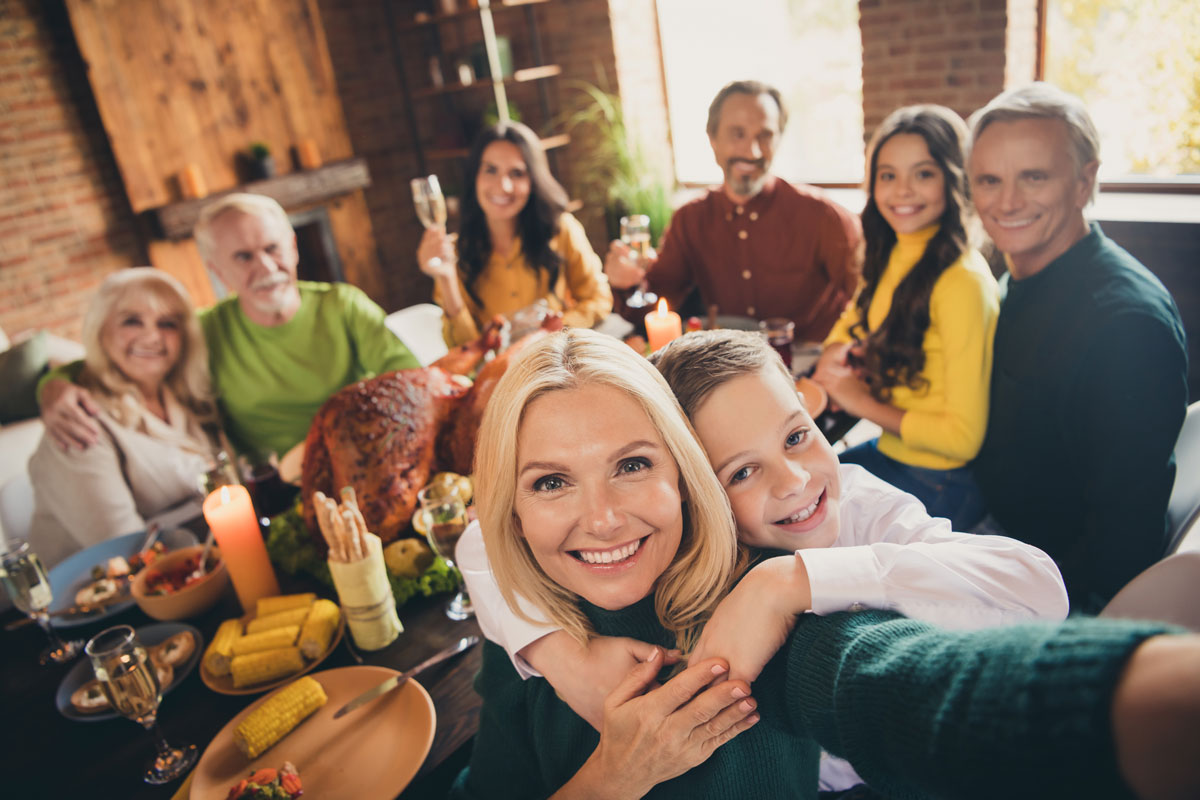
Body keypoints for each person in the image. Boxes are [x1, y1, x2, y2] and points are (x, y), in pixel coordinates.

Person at [452, 328, 1200, 800]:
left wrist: (791, 582)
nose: (793, 481)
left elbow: (915, 669)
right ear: (696, 486)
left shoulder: (844, 515)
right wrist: (561, 653)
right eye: (739, 472)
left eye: (800, 437)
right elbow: (484, 539)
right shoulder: (551, 596)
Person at [967, 83, 1189, 613]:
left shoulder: (1125, 325)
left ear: (1084, 180)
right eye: (989, 180)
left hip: (1047, 584)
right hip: (991, 530)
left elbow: (1123, 543)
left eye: (1034, 177)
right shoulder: (1013, 278)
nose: (1007, 202)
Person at [38, 193, 421, 459]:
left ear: (292, 246)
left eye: (273, 248)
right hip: (280, 491)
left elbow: (410, 379)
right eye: (244, 257)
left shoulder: (343, 305)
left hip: (369, 457)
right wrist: (52, 387)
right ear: (218, 271)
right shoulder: (204, 330)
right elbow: (104, 360)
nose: (267, 267)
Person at [814, 105, 997, 530]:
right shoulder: (893, 249)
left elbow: (963, 440)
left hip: (940, 481)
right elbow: (854, 314)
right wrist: (836, 350)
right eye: (888, 175)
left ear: (953, 178)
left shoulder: (962, 283)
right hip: (892, 451)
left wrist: (862, 403)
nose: (903, 191)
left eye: (923, 173)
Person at [603, 80, 860, 341]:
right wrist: (627, 285)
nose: (752, 151)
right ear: (712, 139)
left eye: (766, 135)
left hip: (810, 360)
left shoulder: (825, 217)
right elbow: (655, 309)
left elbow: (871, 300)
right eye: (738, 134)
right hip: (733, 365)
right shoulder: (690, 219)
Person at [27, 269, 223, 566]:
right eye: (132, 321)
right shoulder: (77, 422)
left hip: (201, 558)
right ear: (100, 331)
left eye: (167, 323)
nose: (152, 336)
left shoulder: (185, 397)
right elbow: (127, 552)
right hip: (100, 595)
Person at [417, 121, 612, 348]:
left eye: (517, 173)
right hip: (501, 377)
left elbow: (599, 299)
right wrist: (446, 278)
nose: (504, 186)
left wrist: (553, 334)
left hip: (557, 362)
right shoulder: (454, 253)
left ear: (533, 180)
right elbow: (465, 348)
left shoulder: (561, 229)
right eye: (490, 170)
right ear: (474, 177)